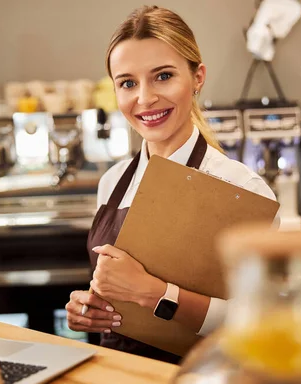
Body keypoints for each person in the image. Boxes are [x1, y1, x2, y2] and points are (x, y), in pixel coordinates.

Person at [65, 5, 278, 364]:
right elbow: (110, 293)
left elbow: (265, 323)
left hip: (200, 383)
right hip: (120, 376)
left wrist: (157, 294)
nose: (144, 98)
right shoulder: (112, 181)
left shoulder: (244, 189)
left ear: (197, 78)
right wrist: (88, 308)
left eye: (163, 76)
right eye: (127, 83)